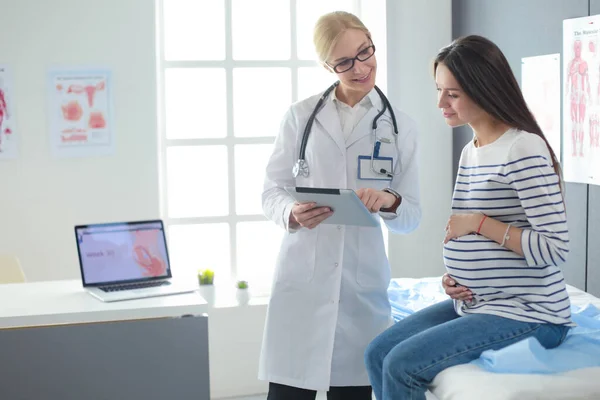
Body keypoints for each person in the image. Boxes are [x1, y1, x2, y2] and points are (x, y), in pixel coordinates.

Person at [364, 35, 572, 400]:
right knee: (377, 352)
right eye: (439, 90)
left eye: (453, 94)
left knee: (401, 365)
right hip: (480, 302)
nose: (440, 103)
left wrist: (479, 224)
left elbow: (555, 248)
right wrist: (455, 277)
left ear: (485, 90)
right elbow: (471, 241)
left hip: (530, 312)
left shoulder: (522, 148)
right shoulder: (471, 151)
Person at [259, 10, 421, 400]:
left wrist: (388, 201)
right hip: (303, 282)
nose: (361, 68)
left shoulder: (401, 126)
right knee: (287, 393)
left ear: (370, 40)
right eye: (344, 62)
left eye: (365, 52)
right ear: (327, 65)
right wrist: (290, 213)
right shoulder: (300, 117)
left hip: (361, 292)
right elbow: (271, 190)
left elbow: (411, 216)